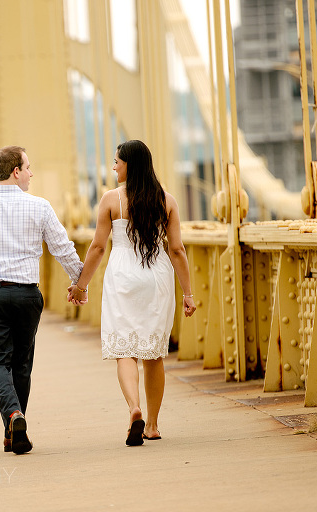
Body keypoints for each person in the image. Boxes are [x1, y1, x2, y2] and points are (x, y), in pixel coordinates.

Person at [0, 145, 83, 454]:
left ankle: (13, 416)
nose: (31, 173)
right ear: (16, 171)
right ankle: (13, 428)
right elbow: (62, 247)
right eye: (28, 167)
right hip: (26, 295)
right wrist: (80, 282)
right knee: (21, 364)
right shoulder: (40, 207)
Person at [67, 139, 196, 446]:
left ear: (129, 165)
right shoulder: (167, 199)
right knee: (153, 353)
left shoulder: (112, 199)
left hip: (122, 274)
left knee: (124, 349)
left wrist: (80, 285)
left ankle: (133, 408)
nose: (113, 167)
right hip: (157, 276)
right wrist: (188, 293)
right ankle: (151, 425)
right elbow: (176, 249)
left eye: (117, 162)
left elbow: (98, 247)